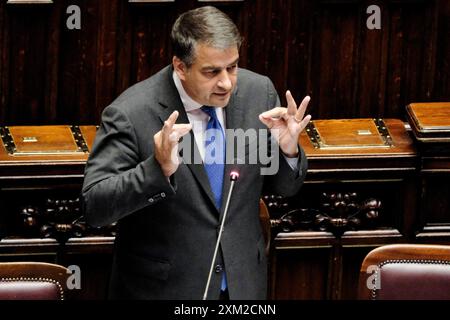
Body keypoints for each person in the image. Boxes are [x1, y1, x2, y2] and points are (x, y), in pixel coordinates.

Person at [81, 6, 311, 300]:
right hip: (166, 289)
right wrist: (157, 169)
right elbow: (95, 207)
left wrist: (287, 150)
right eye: (211, 72)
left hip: (241, 288)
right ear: (180, 66)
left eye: (232, 66)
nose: (226, 82)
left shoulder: (259, 93)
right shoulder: (132, 112)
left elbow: (286, 187)